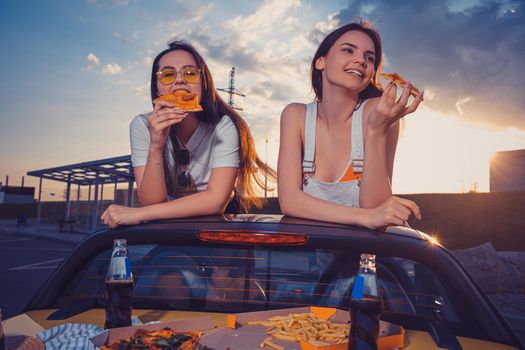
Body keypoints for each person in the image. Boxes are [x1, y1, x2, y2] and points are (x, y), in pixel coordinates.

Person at [102, 40, 275, 228]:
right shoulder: (142, 126)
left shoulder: (224, 126)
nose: (179, 80)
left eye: (190, 73)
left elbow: (216, 201)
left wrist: (139, 214)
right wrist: (156, 146)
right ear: (156, 87)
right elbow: (152, 202)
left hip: (222, 224)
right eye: (167, 75)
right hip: (171, 225)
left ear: (204, 83)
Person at [277, 21, 423, 230]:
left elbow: (377, 211)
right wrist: (363, 218)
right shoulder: (295, 115)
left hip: (371, 255)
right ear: (321, 61)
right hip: (316, 256)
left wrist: (376, 132)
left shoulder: (378, 112)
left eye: (369, 58)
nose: (360, 60)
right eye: (348, 50)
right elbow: (289, 201)